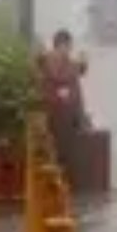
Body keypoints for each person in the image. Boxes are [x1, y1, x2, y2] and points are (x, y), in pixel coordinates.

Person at [37, 29, 89, 184]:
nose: (68, 50)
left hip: (69, 112)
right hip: (58, 111)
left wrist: (81, 65)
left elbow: (76, 73)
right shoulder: (51, 60)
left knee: (65, 149)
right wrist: (79, 65)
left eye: (69, 47)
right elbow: (59, 75)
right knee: (60, 149)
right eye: (66, 46)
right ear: (58, 46)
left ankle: (62, 179)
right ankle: (59, 180)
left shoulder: (65, 62)